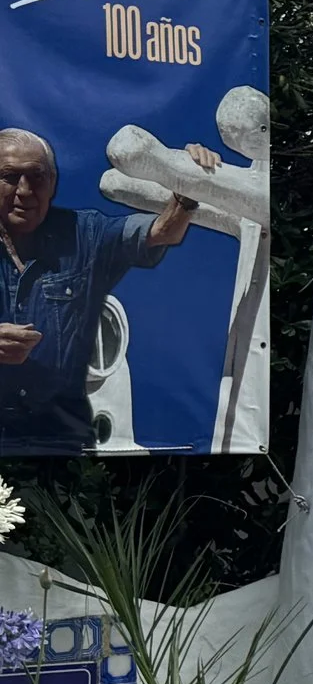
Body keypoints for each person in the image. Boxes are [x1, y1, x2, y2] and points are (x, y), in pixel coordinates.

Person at [0, 126, 218, 452]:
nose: (25, 190)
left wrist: (188, 186)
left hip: (64, 446)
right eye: (9, 176)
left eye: (37, 176)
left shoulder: (85, 233)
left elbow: (162, 232)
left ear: (53, 182)